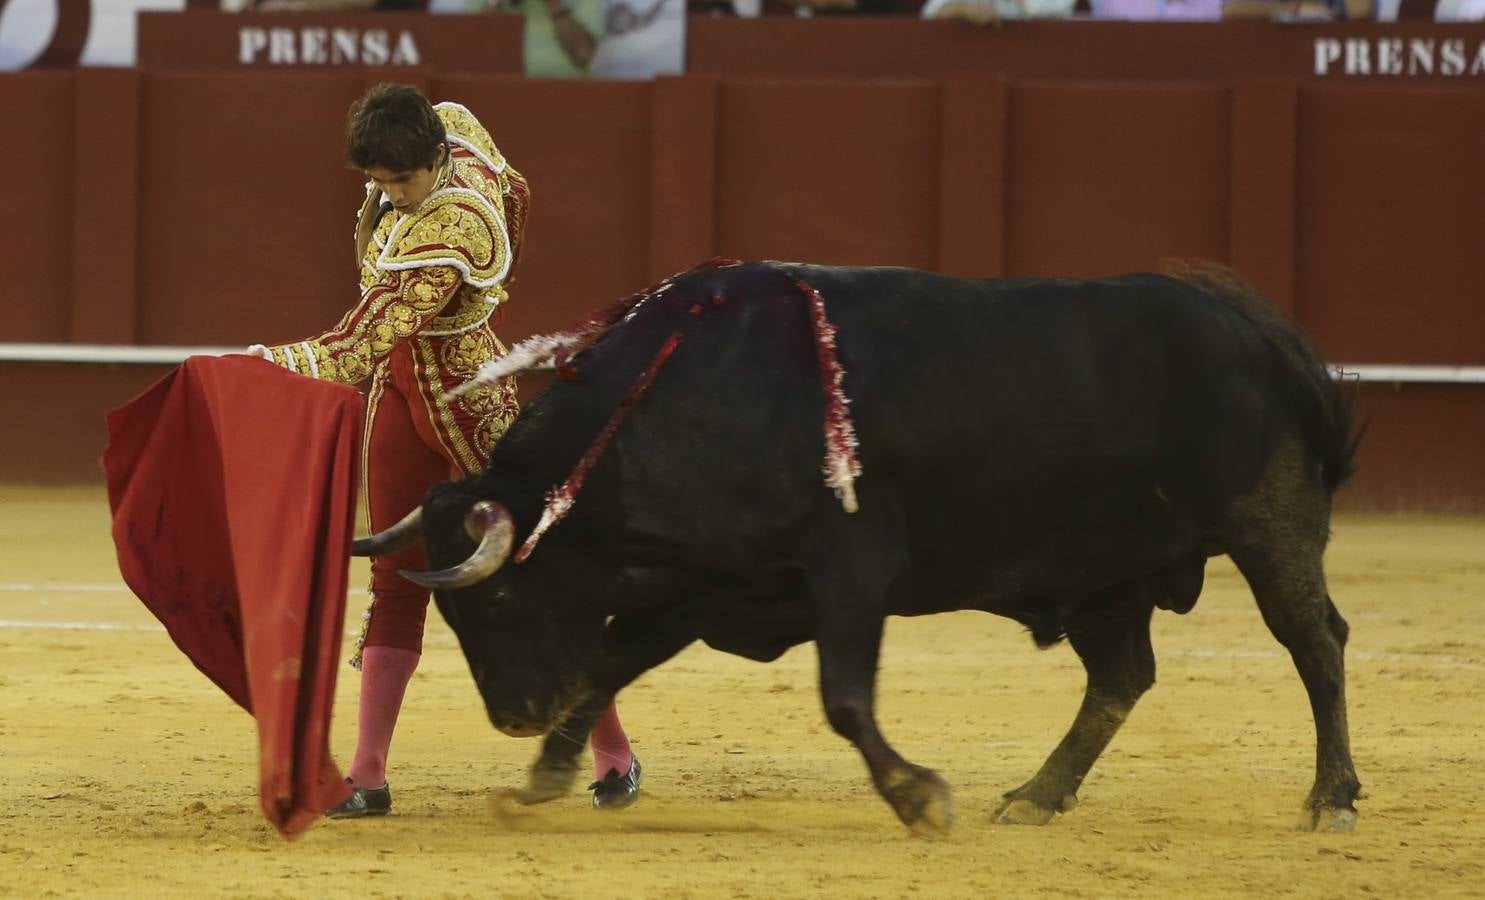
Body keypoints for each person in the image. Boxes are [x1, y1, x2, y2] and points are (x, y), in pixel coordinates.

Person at [247, 84, 642, 817]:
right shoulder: (452, 124)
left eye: (400, 181)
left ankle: (611, 751)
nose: (390, 197)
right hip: (402, 395)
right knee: (395, 578)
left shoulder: (452, 230)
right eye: (375, 182)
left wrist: (255, 362)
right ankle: (368, 774)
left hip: (467, 398)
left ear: (434, 161)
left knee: (536, 571)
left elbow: (358, 343)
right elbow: (515, 188)